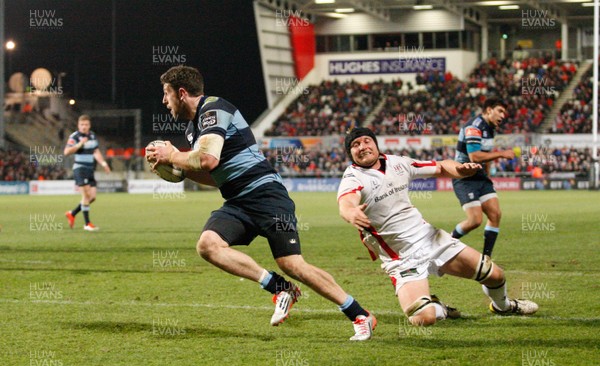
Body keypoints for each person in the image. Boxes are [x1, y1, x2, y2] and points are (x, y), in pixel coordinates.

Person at [146, 66, 376, 341]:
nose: (164, 101)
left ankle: (361, 314)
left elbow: (207, 159)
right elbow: (216, 175)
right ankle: (279, 287)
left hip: (266, 194)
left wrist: (173, 155)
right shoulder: (192, 130)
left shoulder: (214, 109)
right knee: (208, 246)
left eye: (166, 93)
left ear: (181, 93)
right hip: (238, 201)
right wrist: (180, 171)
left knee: (292, 263)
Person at [338, 128, 537, 327]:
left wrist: (459, 170)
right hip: (402, 258)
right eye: (355, 145)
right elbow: (346, 203)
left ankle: (504, 306)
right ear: (350, 154)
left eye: (366, 141)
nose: (362, 147)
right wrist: (351, 212)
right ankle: (438, 307)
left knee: (494, 275)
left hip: (429, 238)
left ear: (375, 143)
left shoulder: (398, 162)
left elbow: (441, 166)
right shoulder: (353, 177)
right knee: (423, 319)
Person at [451, 97, 516, 257]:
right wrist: (502, 153)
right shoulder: (474, 127)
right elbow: (474, 157)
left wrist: (487, 176)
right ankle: (447, 241)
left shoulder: (490, 128)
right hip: (465, 176)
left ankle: (486, 258)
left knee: (495, 214)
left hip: (480, 177)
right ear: (489, 110)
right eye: (500, 111)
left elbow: (486, 155)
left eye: (504, 112)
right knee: (475, 221)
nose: (503, 116)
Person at [64, 115, 111, 231]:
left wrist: (104, 164)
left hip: (90, 169)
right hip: (80, 169)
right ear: (78, 125)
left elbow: (95, 151)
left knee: (92, 197)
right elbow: (66, 152)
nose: (84, 127)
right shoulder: (74, 136)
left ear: (89, 125)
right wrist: (79, 144)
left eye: (86, 125)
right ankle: (87, 224)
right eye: (82, 125)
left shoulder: (92, 136)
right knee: (86, 196)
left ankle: (72, 213)